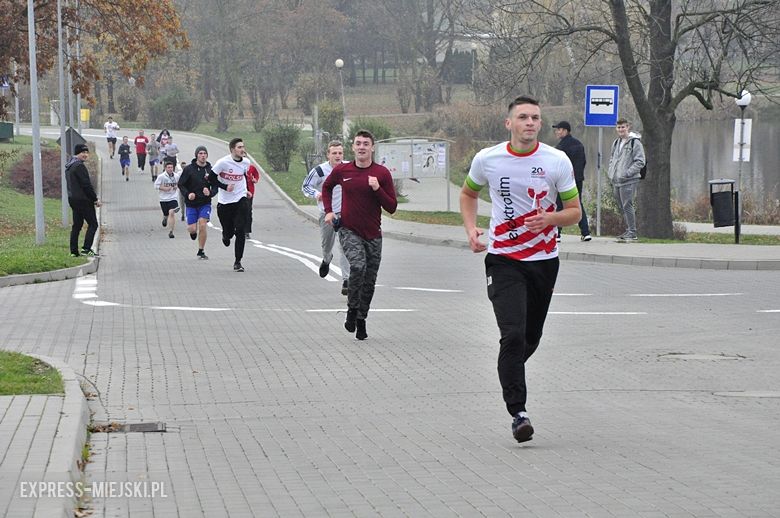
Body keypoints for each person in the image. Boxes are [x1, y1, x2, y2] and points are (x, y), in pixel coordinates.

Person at [459, 96, 581, 443]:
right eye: (523, 117)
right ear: (508, 123)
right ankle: (519, 413)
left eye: (536, 118)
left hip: (544, 261)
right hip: (503, 258)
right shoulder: (488, 159)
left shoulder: (556, 160)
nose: (530, 123)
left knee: (530, 338)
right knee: (512, 335)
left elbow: (574, 211)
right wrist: (471, 229)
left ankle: (509, 367)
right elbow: (468, 194)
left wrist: (551, 218)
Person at [322, 130, 397, 340]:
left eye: (366, 143)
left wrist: (377, 189)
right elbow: (327, 187)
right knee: (357, 266)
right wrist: (329, 211)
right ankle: (352, 310)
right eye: (358, 143)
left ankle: (362, 319)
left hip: (373, 234)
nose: (362, 147)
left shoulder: (381, 174)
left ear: (372, 148)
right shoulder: (343, 170)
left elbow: (391, 207)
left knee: (369, 280)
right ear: (353, 147)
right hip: (348, 229)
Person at [302, 140, 350, 296]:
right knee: (326, 245)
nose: (337, 156)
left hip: (345, 214)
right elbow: (306, 186)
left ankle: (347, 280)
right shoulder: (320, 171)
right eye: (334, 153)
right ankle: (327, 259)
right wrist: (317, 194)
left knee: (344, 247)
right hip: (327, 214)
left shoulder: (349, 168)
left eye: (340, 153)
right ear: (328, 154)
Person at [209, 137, 250, 272]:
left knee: (240, 230)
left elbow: (244, 176)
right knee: (229, 232)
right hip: (225, 202)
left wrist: (247, 190)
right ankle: (226, 235)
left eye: (243, 147)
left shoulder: (246, 162)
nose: (242, 149)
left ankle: (238, 261)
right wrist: (224, 187)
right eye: (239, 147)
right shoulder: (223, 162)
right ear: (232, 149)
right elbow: (211, 178)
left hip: (240, 198)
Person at [607, 118, 646, 242]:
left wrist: (627, 173)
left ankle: (632, 232)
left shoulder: (635, 143)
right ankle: (629, 230)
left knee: (627, 205)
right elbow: (612, 158)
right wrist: (611, 172)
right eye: (618, 127)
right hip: (616, 180)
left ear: (628, 127)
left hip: (628, 180)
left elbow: (640, 161)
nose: (620, 129)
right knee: (622, 206)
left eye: (623, 127)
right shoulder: (616, 142)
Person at [552, 121, 591, 241]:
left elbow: (557, 165)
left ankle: (557, 233)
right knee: (577, 204)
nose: (556, 132)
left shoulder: (561, 147)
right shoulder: (579, 144)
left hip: (564, 180)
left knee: (559, 204)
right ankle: (585, 232)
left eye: (558, 129)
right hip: (578, 179)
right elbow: (583, 162)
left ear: (564, 130)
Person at [179, 146, 216, 259]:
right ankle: (193, 233)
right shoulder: (189, 169)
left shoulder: (211, 170)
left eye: (205, 153)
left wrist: (210, 193)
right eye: (200, 153)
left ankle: (201, 250)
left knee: (203, 224)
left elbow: (216, 186)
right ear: (196, 155)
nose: (203, 155)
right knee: (192, 228)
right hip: (191, 204)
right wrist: (188, 194)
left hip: (205, 203)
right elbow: (181, 184)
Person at [65, 143, 101, 256]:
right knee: (93, 224)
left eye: (86, 152)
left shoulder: (69, 166)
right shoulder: (79, 166)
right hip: (83, 200)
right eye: (83, 152)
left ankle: (74, 251)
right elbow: (86, 185)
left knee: (77, 225)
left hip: (73, 199)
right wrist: (94, 199)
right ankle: (86, 248)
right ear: (77, 153)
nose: (85, 155)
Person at [154, 161, 180, 238]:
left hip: (173, 197)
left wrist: (177, 186)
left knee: (171, 212)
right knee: (166, 214)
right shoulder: (161, 176)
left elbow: (180, 184)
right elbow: (155, 186)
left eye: (171, 167)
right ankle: (165, 218)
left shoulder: (176, 176)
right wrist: (164, 188)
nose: (170, 169)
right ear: (165, 168)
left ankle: (171, 231)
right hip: (163, 199)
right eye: (168, 167)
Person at [245, 162, 262, 239]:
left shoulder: (251, 167)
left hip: (249, 193)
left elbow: (256, 175)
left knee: (248, 212)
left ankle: (247, 231)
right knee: (238, 212)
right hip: (238, 193)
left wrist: (255, 179)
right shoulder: (235, 167)